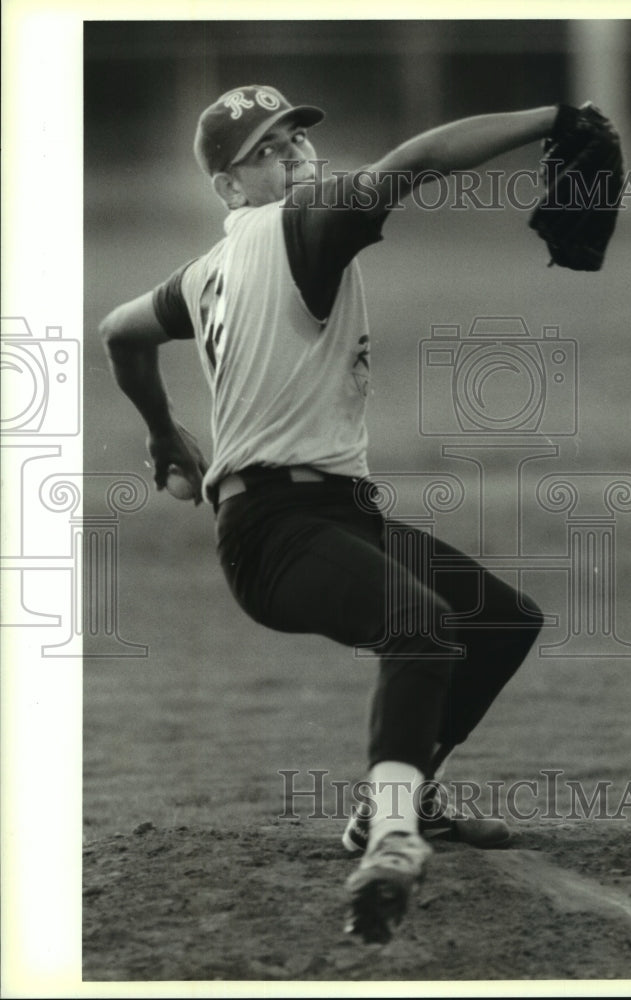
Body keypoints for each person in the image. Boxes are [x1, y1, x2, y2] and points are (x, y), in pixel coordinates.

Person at [101, 84, 552, 944]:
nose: (297, 157)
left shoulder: (208, 271)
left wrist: (164, 435)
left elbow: (120, 332)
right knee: (421, 626)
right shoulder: (299, 229)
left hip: (334, 517)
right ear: (232, 190)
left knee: (499, 621)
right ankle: (388, 839)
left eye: (299, 141)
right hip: (276, 533)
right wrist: (556, 122)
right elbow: (418, 160)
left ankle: (405, 798)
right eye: (269, 152)